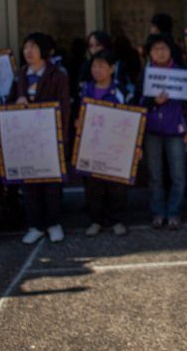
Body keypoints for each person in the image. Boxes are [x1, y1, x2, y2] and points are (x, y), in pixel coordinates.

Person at [10, 32, 71, 244]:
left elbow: (65, 108)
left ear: (44, 51)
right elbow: (9, 106)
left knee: (52, 183)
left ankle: (54, 223)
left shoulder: (58, 75)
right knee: (30, 183)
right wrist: (16, 103)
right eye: (26, 47)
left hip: (50, 138)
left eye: (33, 47)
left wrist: (61, 138)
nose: (28, 51)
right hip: (26, 140)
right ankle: (35, 225)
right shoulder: (20, 76)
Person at [139, 34, 187, 230]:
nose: (160, 53)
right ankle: (158, 212)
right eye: (155, 49)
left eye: (163, 48)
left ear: (171, 51)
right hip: (152, 131)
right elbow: (137, 103)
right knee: (155, 175)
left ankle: (174, 212)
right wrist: (154, 102)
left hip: (177, 131)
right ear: (150, 53)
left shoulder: (181, 73)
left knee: (178, 174)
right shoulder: (145, 74)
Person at [79, 49, 134, 237]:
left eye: (102, 66)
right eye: (94, 65)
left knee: (116, 185)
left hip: (115, 145)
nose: (97, 70)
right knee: (93, 185)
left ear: (112, 68)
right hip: (91, 144)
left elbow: (131, 116)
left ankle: (117, 220)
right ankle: (96, 221)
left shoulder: (121, 90)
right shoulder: (86, 89)